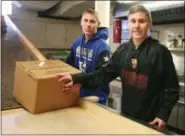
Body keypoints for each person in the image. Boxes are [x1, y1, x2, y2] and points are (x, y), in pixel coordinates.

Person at [58, 5, 180, 128]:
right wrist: (75, 79)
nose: (137, 26)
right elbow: (103, 74)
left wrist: (163, 115)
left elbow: (172, 88)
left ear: (149, 23)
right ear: (128, 24)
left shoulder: (159, 52)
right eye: (133, 21)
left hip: (151, 121)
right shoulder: (123, 50)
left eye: (141, 21)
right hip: (127, 117)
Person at [65, 9, 110, 105]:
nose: (88, 24)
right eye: (85, 20)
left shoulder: (102, 47)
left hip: (96, 98)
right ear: (81, 22)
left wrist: (76, 79)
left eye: (92, 21)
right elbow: (68, 65)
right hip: (79, 94)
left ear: (98, 24)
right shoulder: (76, 43)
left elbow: (100, 76)